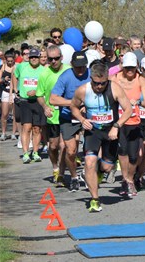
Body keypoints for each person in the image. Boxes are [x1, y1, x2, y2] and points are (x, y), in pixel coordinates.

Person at [70, 60, 133, 212]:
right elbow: (73, 107)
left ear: (107, 79)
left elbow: (128, 109)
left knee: (107, 166)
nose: (99, 87)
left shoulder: (115, 88)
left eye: (102, 83)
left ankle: (98, 171)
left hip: (111, 131)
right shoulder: (82, 90)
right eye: (96, 83)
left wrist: (117, 127)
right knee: (89, 162)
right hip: (93, 131)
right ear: (91, 79)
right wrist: (82, 119)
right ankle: (94, 199)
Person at [111, 52, 145, 197]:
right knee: (122, 152)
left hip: (134, 122)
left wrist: (138, 101)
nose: (129, 71)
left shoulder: (140, 80)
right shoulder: (115, 79)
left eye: (132, 68)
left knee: (134, 156)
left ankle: (130, 178)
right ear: (122, 67)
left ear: (136, 68)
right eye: (127, 67)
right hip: (120, 122)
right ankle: (125, 180)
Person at [50, 51, 91, 190]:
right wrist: (72, 103)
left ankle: (90, 173)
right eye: (77, 67)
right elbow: (53, 99)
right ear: (72, 64)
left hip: (89, 117)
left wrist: (87, 105)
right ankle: (74, 177)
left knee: (93, 150)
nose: (81, 70)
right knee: (71, 151)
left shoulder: (92, 74)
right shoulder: (65, 76)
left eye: (83, 66)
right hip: (68, 118)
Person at [36, 46, 69, 185]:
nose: (54, 61)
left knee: (64, 145)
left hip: (67, 114)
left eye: (56, 58)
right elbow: (39, 95)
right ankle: (55, 167)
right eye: (51, 59)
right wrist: (45, 107)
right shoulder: (44, 73)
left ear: (61, 57)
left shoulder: (69, 70)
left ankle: (61, 173)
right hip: (52, 115)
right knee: (53, 146)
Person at [12, 47, 45, 164]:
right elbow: (14, 75)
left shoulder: (43, 70)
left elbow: (46, 86)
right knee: (26, 127)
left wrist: (36, 92)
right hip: (25, 101)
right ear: (29, 58)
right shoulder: (21, 66)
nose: (34, 59)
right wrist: (16, 89)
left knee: (37, 128)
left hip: (38, 101)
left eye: (36, 57)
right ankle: (26, 153)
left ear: (39, 58)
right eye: (32, 57)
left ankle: (35, 152)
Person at [0, 51, 17, 140]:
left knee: (15, 114)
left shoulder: (17, 67)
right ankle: (3, 133)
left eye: (11, 61)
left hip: (14, 92)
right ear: (5, 60)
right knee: (4, 114)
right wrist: (3, 79)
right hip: (5, 92)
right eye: (8, 61)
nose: (10, 63)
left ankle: (13, 133)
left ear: (14, 59)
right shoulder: (3, 67)